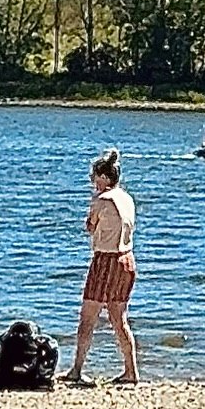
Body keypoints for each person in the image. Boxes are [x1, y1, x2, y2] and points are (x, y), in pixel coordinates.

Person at [68, 151, 136, 386]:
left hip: (106, 259)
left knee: (88, 317)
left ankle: (77, 369)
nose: (92, 182)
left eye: (94, 177)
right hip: (127, 260)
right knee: (119, 318)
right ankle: (131, 370)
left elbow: (90, 226)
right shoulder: (127, 198)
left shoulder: (103, 200)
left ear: (105, 177)